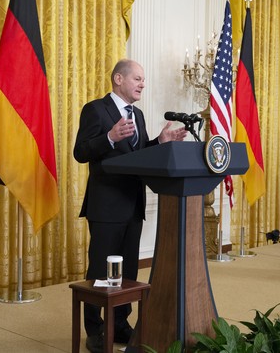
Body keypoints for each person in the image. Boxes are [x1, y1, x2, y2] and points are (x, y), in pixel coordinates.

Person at [73, 59, 188, 352]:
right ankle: (95, 328)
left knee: (128, 272)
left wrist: (159, 142)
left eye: (143, 80)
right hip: (106, 205)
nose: (142, 84)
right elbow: (81, 151)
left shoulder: (136, 114)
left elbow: (135, 156)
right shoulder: (96, 109)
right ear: (118, 79)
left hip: (133, 204)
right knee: (100, 270)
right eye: (137, 78)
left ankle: (121, 323)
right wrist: (109, 137)